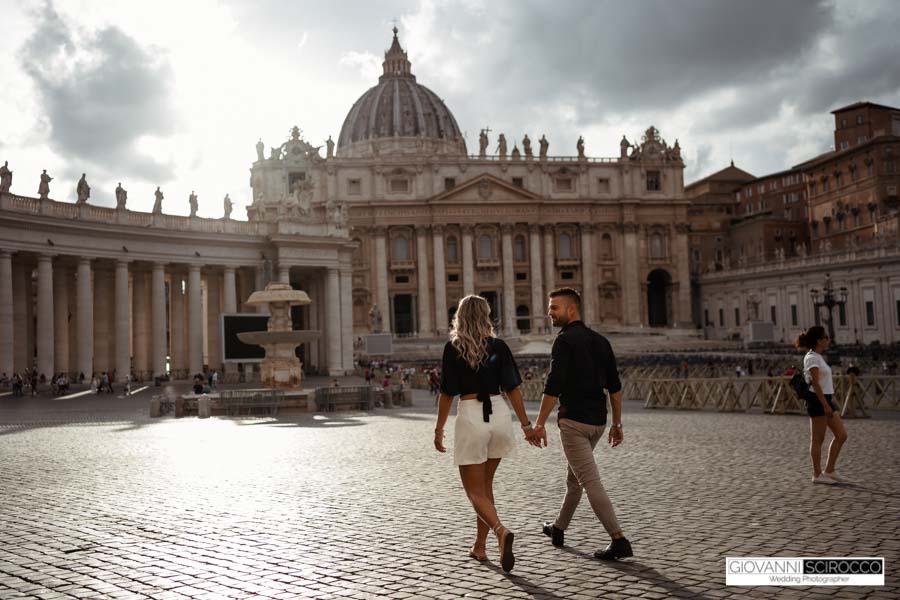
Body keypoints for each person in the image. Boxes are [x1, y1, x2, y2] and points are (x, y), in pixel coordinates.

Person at [433, 295, 537, 572]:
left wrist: (439, 428)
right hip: (500, 414)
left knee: (473, 492)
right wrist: (526, 425)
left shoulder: (453, 347)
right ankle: (480, 547)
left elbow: (446, 394)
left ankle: (501, 532)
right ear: (486, 315)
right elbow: (513, 388)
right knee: (485, 488)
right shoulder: (500, 347)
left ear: (460, 316)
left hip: (471, 415)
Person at [529, 288, 633, 561]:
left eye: (554, 308)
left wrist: (539, 423)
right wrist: (617, 423)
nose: (549, 313)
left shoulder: (563, 341)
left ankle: (618, 539)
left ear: (571, 310)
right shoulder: (600, 341)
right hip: (598, 421)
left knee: (588, 480)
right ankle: (558, 529)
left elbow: (554, 385)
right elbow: (615, 387)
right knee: (574, 478)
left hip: (574, 422)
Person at [796, 326, 849, 484]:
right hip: (817, 400)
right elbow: (815, 384)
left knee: (841, 435)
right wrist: (825, 405)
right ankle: (817, 474)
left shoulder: (818, 357)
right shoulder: (811, 357)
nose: (828, 339)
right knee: (817, 439)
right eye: (826, 336)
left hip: (825, 399)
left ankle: (830, 470)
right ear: (819, 340)